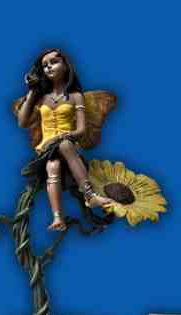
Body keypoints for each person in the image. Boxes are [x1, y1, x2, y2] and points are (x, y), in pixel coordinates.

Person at [16, 49, 112, 231]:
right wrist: (32, 92)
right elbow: (22, 122)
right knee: (53, 163)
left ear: (65, 66)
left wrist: (69, 135)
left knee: (59, 156)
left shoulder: (75, 96)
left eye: (53, 62)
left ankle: (85, 199)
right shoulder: (41, 98)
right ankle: (63, 214)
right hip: (46, 148)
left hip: (67, 146)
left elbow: (81, 130)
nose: (48, 67)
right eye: (45, 65)